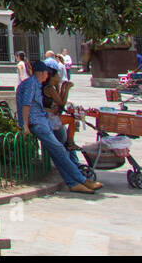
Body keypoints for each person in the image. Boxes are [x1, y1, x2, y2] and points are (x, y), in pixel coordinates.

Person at [17, 60, 100, 194]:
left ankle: (73, 183)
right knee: (60, 149)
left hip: (42, 120)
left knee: (57, 153)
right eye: (46, 74)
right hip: (36, 122)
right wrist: (25, 125)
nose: (47, 76)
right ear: (43, 73)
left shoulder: (35, 84)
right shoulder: (31, 84)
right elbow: (26, 105)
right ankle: (82, 180)